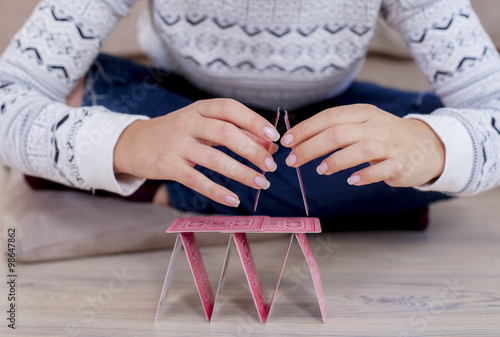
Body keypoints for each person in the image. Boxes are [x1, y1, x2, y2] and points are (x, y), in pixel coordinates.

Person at [1, 0, 498, 226]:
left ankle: (168, 184)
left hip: (316, 117)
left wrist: (428, 148)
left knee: (436, 135)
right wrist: (133, 143)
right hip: (179, 108)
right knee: (80, 100)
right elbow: (9, 96)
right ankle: (368, 202)